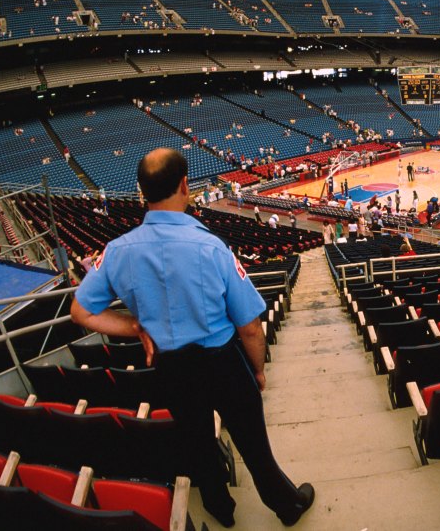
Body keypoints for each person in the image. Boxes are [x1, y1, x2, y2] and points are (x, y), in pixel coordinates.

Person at [70, 148, 314, 527]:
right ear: (185, 185)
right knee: (253, 445)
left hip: (170, 367)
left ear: (141, 192)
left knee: (198, 444)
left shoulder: (117, 251)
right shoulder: (211, 247)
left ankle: (221, 510)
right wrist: (258, 371)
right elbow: (249, 326)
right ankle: (286, 505)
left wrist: (136, 326)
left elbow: (81, 311)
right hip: (223, 363)